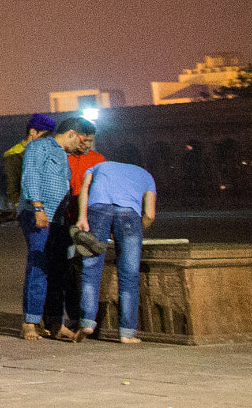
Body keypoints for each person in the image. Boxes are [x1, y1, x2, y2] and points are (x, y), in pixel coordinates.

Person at [18, 117, 91, 339]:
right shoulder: (39, 146)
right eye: (83, 140)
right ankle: (30, 323)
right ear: (70, 133)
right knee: (39, 265)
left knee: (58, 270)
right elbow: (31, 175)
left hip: (58, 219)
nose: (84, 146)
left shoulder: (63, 154)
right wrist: (38, 208)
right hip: (38, 214)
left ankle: (54, 323)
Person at [80, 156, 158, 344]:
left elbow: (84, 190)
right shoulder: (147, 176)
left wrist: (82, 217)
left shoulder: (97, 166)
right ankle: (127, 333)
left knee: (91, 267)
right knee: (130, 275)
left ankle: (87, 323)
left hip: (98, 208)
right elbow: (149, 214)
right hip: (129, 213)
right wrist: (135, 233)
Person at [49, 128, 108, 341]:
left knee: (83, 270)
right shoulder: (64, 156)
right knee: (65, 270)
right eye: (86, 141)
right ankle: (69, 317)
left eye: (92, 141)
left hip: (85, 222)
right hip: (65, 220)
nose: (88, 145)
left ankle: (83, 319)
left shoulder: (97, 159)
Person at [0, 113, 57, 225]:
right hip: (30, 208)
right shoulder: (14, 154)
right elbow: (13, 184)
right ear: (33, 132)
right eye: (46, 136)